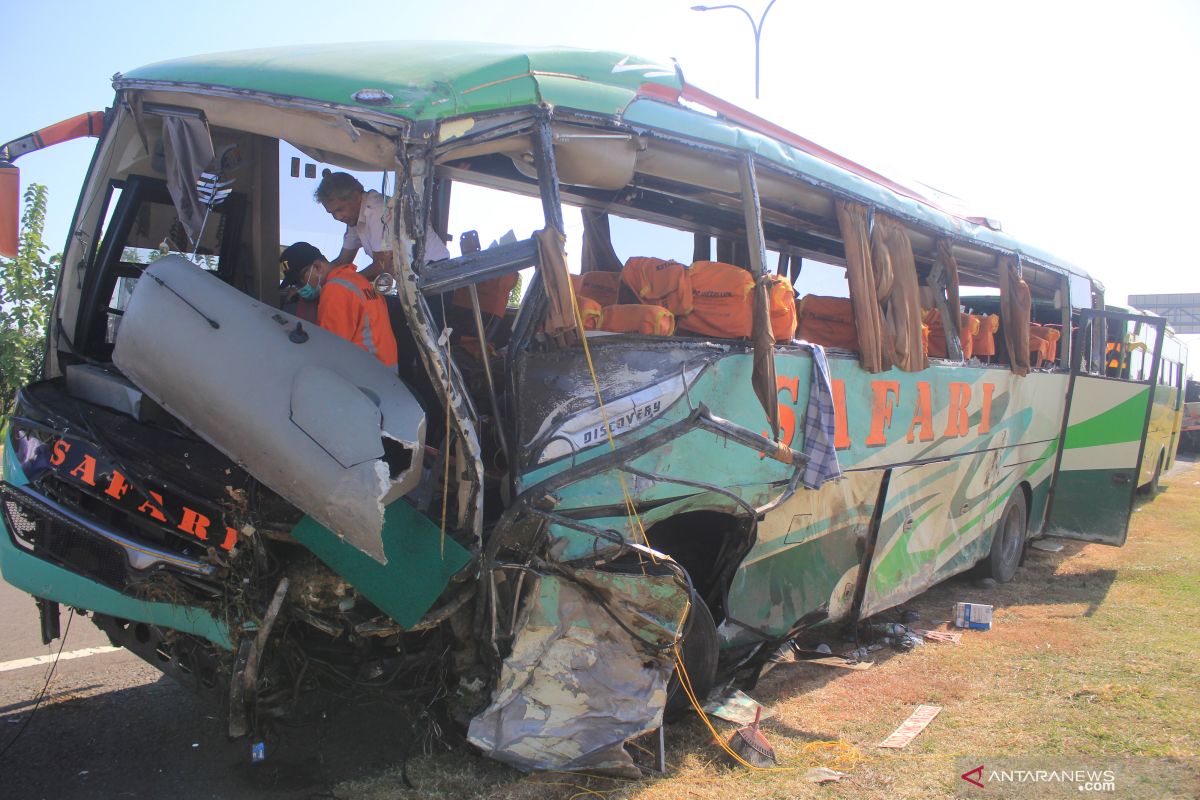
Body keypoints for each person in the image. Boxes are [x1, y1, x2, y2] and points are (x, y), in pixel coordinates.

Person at [279, 241, 399, 368]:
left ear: (318, 267)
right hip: (385, 372)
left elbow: (331, 349)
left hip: (364, 376)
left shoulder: (336, 290)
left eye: (301, 280)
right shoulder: (358, 280)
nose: (300, 287)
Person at [314, 171, 450, 282]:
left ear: (355, 197)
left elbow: (381, 267)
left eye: (340, 210)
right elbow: (343, 261)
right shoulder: (355, 219)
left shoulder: (377, 210)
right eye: (332, 213)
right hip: (413, 280)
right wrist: (317, 277)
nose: (337, 218)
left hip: (433, 273)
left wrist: (342, 284)